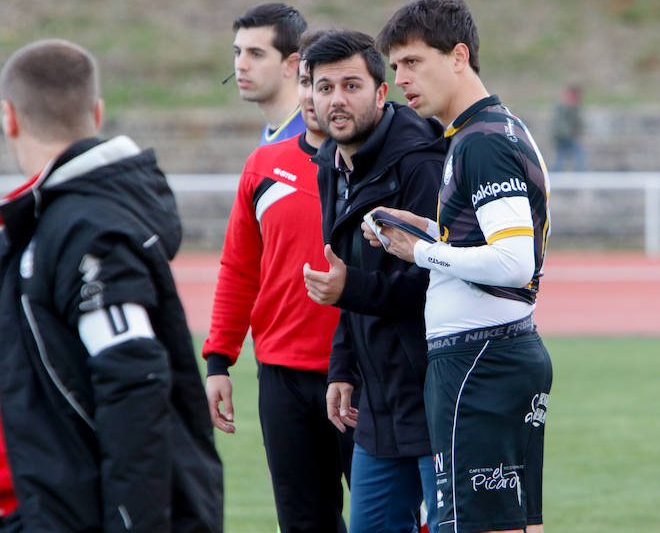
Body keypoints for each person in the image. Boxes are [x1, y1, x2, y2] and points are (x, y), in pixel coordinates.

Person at [0, 39, 223, 532]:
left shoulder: (89, 229)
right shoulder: (42, 221)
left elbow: (134, 385)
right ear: (97, 113)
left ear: (8, 117)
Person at [371, 0, 553, 533]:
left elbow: (514, 261)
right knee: (512, 524)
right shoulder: (494, 130)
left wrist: (420, 250)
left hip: (479, 361)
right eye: (395, 65)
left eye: (412, 62)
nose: (401, 78)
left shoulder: (482, 142)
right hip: (499, 355)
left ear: (458, 55)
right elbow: (491, 244)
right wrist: (426, 229)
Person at [202, 29, 354, 533]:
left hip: (366, 375)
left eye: (332, 84)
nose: (317, 95)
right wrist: (219, 360)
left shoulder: (383, 166)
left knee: (388, 520)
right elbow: (239, 269)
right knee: (302, 523)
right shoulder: (264, 166)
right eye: (310, 82)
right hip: (284, 378)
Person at [301, 30, 444, 533]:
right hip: (377, 402)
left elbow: (440, 285)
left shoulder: (420, 163)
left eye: (351, 85)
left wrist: (351, 291)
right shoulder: (331, 167)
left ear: (381, 93)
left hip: (435, 394)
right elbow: (349, 275)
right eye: (323, 87)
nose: (336, 99)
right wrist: (343, 365)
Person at [231, 2, 308, 145]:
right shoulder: (273, 130)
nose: (240, 66)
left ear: (292, 64)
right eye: (238, 52)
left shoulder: (312, 137)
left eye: (256, 54)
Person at [550, 84, 586, 171]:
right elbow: (561, 124)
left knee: (561, 157)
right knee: (577, 153)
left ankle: (556, 172)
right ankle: (581, 172)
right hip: (564, 136)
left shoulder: (572, 107)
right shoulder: (565, 106)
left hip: (566, 136)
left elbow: (577, 122)